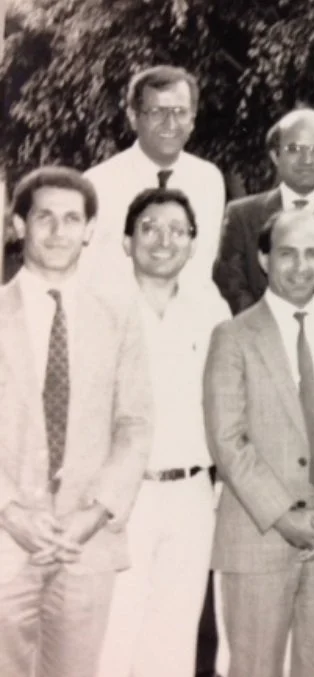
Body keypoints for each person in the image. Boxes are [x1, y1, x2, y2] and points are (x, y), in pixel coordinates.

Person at [203, 208, 314, 677]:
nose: (301, 267)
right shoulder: (233, 337)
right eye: (287, 254)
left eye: (312, 254)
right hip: (258, 535)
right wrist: (284, 517)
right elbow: (228, 440)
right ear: (264, 259)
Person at [0, 166, 154, 677]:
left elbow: (134, 424)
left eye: (72, 219)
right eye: (44, 217)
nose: (58, 231)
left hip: (85, 545)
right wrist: (11, 513)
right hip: (5, 540)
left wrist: (94, 514)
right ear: (18, 225)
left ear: (90, 230)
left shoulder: (117, 314)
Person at [95, 188, 230, 677]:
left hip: (192, 494)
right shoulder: (101, 307)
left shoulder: (211, 310)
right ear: (127, 241)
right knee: (113, 638)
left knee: (173, 641)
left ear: (193, 245)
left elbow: (228, 402)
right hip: (123, 499)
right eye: (149, 228)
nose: (163, 240)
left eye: (177, 231)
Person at [213, 107, 314, 317]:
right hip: (259, 332)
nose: (306, 159)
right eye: (294, 149)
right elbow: (231, 286)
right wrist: (270, 328)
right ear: (275, 155)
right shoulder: (241, 215)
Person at [82, 66, 225, 296]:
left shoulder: (209, 180)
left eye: (180, 112)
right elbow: (84, 273)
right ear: (133, 117)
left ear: (192, 120)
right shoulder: (98, 184)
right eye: (157, 112)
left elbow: (204, 264)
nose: (170, 123)